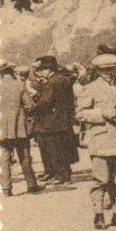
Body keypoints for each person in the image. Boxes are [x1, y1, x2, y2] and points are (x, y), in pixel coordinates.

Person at [77, 53, 116, 229]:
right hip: (101, 139)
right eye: (106, 71)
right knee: (100, 180)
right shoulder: (90, 88)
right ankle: (99, 215)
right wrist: (102, 113)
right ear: (99, 71)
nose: (110, 74)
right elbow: (80, 113)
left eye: (113, 70)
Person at [26, 55, 78, 185]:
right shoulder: (65, 80)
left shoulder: (51, 83)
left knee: (54, 149)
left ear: (48, 69)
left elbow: (46, 102)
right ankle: (61, 173)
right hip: (63, 118)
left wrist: (34, 105)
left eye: (43, 69)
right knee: (61, 148)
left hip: (50, 121)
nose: (41, 72)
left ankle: (62, 176)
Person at [0, 63, 41, 196]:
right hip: (20, 127)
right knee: (25, 156)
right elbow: (29, 105)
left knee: (4, 157)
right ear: (11, 72)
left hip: (2, 128)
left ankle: (6, 188)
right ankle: (31, 185)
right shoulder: (20, 85)